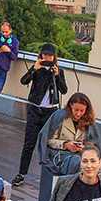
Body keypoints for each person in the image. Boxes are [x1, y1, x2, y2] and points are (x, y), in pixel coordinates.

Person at [13, 45, 68, 187]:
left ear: (54, 57)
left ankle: (50, 176)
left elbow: (64, 90)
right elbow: (23, 81)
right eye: (44, 55)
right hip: (35, 109)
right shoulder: (36, 69)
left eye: (50, 56)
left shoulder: (58, 71)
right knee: (29, 143)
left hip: (51, 112)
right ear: (40, 55)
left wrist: (56, 76)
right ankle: (21, 173)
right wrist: (34, 69)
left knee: (50, 144)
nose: (47, 58)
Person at [37, 91, 99, 201]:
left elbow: (93, 145)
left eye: (82, 111)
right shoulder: (60, 117)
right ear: (70, 106)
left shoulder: (89, 122)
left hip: (79, 153)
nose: (78, 113)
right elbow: (48, 140)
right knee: (78, 163)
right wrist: (65, 144)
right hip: (59, 154)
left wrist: (83, 147)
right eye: (76, 110)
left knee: (90, 165)